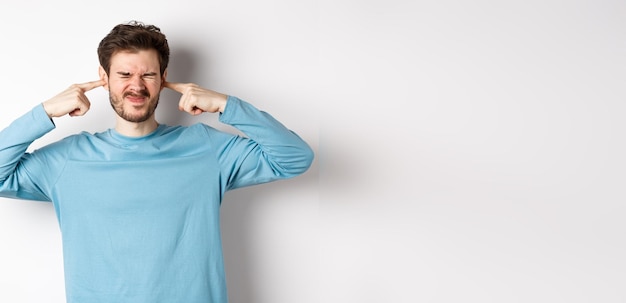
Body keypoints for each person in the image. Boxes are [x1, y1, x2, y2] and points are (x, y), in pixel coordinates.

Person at [0, 21, 313, 303]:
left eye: (147, 74)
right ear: (104, 78)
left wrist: (225, 105)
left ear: (163, 79)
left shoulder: (205, 148)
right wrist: (43, 114)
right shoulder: (69, 159)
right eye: (124, 74)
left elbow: (294, 157)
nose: (136, 86)